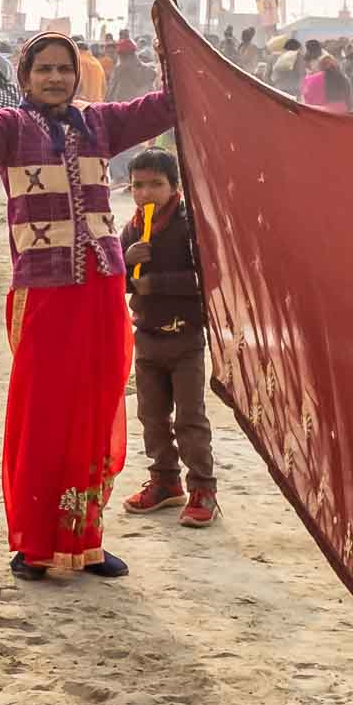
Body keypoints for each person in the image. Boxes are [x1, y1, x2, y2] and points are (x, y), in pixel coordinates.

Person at [0, 28, 176, 580]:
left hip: (102, 286)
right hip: (44, 291)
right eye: (43, 69)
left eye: (64, 68)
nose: (55, 78)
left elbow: (166, 106)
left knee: (97, 406)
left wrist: (174, 47)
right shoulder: (8, 128)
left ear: (77, 75)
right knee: (44, 414)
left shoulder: (100, 122)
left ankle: (87, 540)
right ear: (24, 77)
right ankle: (34, 544)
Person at [117, 149, 215, 527]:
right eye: (138, 185)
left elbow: (206, 280)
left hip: (185, 337)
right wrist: (126, 261)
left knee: (189, 418)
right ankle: (165, 481)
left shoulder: (190, 226)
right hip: (147, 337)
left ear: (175, 187)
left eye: (156, 184)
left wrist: (155, 283)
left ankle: (203, 488)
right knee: (151, 415)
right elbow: (120, 282)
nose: (146, 193)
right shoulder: (132, 228)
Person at [75, 37, 107, 102]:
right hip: (97, 106)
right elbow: (104, 88)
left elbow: (77, 86)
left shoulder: (77, 62)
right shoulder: (97, 63)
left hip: (82, 106)